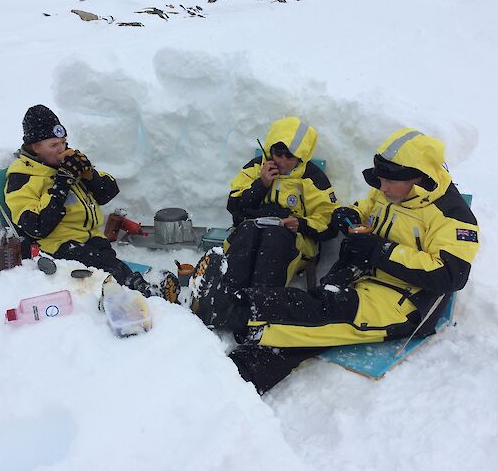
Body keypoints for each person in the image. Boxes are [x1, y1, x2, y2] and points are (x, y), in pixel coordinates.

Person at [190, 128, 480, 393]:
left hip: (400, 304)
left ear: (418, 177)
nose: (383, 188)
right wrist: (350, 215)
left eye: (389, 181)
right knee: (314, 320)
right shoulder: (390, 192)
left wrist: (379, 249)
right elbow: (363, 209)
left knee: (324, 311)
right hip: (358, 276)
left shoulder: (453, 217)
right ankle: (243, 372)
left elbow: (451, 274)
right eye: (380, 181)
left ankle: (231, 310)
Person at [5, 104, 179, 301]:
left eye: (63, 142)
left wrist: (88, 174)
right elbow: (36, 226)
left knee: (110, 263)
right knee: (105, 267)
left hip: (90, 238)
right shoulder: (22, 177)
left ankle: (139, 288)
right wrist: (62, 182)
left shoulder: (64, 163)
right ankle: (146, 294)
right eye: (54, 145)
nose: (62, 149)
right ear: (35, 147)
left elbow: (108, 192)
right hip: (59, 246)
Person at [225, 117, 337, 288]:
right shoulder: (256, 168)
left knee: (274, 238)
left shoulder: (311, 178)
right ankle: (230, 294)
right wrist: (261, 184)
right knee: (248, 232)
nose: (282, 162)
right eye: (278, 153)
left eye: (290, 157)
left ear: (301, 157)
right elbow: (234, 206)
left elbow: (328, 221)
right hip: (252, 234)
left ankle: (262, 298)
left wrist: (300, 223)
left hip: (293, 243)